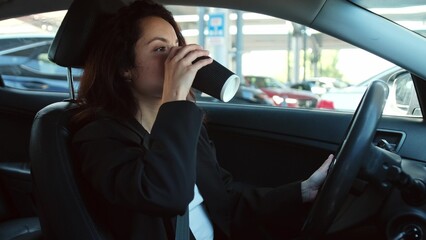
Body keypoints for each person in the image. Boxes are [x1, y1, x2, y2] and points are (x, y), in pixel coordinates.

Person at [70, 0, 333, 239]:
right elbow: (168, 195)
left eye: (176, 46)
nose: (175, 58)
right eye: (160, 49)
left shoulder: (185, 125)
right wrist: (174, 99)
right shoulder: (99, 137)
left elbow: (225, 197)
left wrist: (302, 191)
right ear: (125, 68)